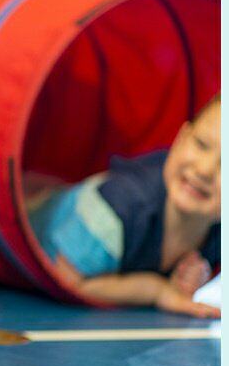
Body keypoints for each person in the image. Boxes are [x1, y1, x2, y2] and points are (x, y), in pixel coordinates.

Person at [25, 96, 220, 318]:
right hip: (35, 221)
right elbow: (68, 279)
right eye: (201, 144)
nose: (204, 170)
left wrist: (188, 280)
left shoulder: (217, 229)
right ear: (181, 138)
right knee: (34, 198)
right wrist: (156, 290)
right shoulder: (115, 212)